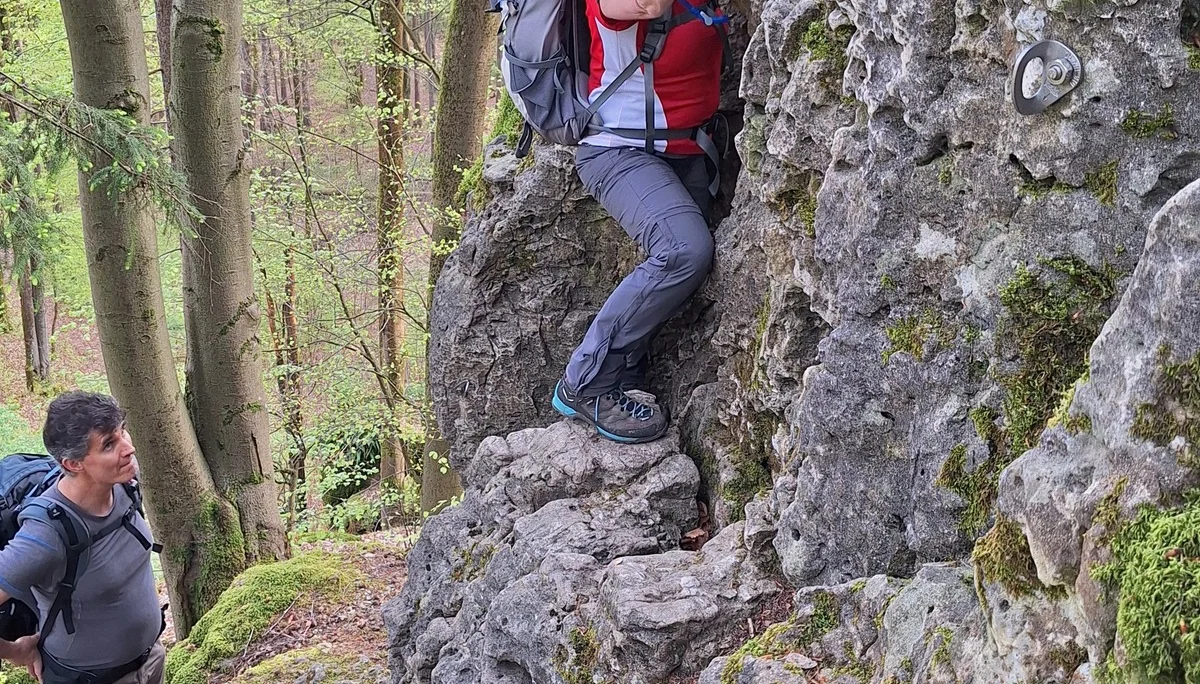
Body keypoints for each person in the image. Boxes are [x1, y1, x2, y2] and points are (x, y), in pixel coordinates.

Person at [552, 0, 726, 443]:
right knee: (683, 251)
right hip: (618, 151)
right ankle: (587, 382)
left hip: (687, 151)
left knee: (689, 271)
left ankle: (628, 375)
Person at [0, 392, 165, 684]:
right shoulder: (46, 535)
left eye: (123, 430)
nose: (129, 448)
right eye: (109, 444)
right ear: (73, 464)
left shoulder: (124, 484)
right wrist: (16, 652)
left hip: (151, 660)